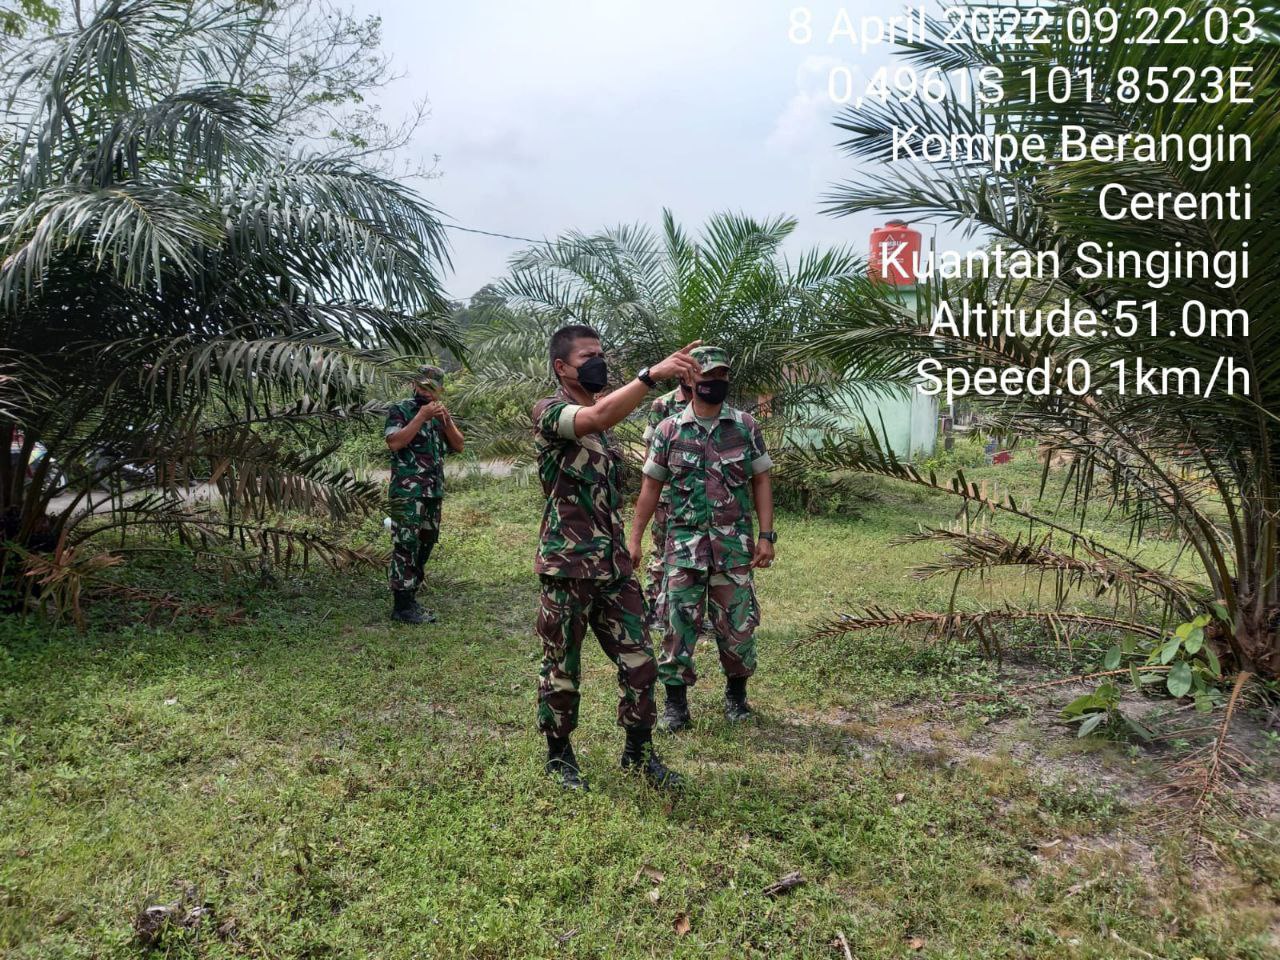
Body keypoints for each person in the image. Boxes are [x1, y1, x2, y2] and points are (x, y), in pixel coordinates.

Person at [531, 325, 701, 791]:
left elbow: (607, 417)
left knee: (641, 661)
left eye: (601, 354)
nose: (598, 362)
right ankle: (559, 757)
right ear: (561, 367)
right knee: (562, 666)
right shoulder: (550, 411)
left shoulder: (603, 427)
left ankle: (639, 754)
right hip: (568, 566)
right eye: (587, 356)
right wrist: (650, 375)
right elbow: (596, 416)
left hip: (612, 566)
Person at [628, 346, 776, 732]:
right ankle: (676, 705)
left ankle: (737, 698)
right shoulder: (669, 429)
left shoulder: (745, 426)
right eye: (707, 376)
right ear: (690, 379)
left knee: (738, 627)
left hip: (733, 548)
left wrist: (766, 536)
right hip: (683, 548)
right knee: (677, 625)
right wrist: (635, 539)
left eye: (721, 376)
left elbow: (761, 480)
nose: (715, 382)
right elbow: (650, 488)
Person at [384, 364, 465, 624]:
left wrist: (446, 420)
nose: (426, 392)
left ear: (440, 390)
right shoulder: (401, 410)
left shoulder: (440, 414)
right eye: (422, 386)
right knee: (405, 544)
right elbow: (395, 442)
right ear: (414, 385)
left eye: (432, 388)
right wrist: (421, 416)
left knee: (426, 543)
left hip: (432, 490)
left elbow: (459, 445)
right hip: (407, 491)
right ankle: (402, 605)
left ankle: (412, 595)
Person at [641, 382, 692, 626]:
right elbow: (650, 451)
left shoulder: (710, 399)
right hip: (666, 494)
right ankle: (654, 609)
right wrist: (649, 488)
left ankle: (682, 611)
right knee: (661, 550)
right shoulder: (663, 404)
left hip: (693, 496)